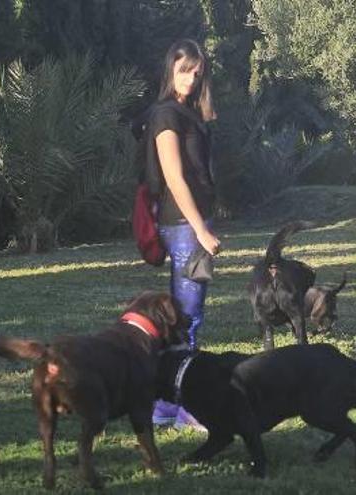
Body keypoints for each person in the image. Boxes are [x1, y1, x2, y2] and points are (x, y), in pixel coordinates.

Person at [148, 39, 220, 431]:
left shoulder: (190, 114)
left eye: (197, 71)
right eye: (184, 70)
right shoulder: (165, 115)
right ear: (170, 70)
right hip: (183, 226)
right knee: (188, 317)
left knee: (185, 316)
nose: (191, 78)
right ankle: (180, 405)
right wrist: (200, 229)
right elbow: (174, 178)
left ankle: (165, 405)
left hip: (192, 225)